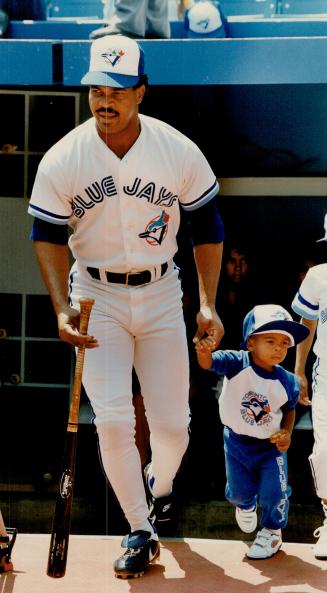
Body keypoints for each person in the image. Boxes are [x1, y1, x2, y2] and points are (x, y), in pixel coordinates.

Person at [27, 35, 224, 578]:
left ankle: (157, 491)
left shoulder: (176, 149)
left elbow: (207, 227)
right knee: (112, 419)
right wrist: (61, 306)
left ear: (140, 92)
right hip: (96, 294)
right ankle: (140, 527)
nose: (103, 101)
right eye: (95, 89)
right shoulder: (66, 155)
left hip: (161, 293)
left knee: (173, 426)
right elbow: (43, 232)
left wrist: (207, 303)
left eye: (115, 90)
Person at [195, 304, 309, 559]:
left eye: (284, 343)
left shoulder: (287, 380)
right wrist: (204, 350)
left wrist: (287, 433)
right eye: (270, 340)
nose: (279, 348)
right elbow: (208, 363)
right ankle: (245, 505)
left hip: (270, 447)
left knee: (275, 491)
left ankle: (272, 531)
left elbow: (290, 409)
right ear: (250, 343)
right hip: (236, 443)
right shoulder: (237, 363)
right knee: (238, 491)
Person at [291, 214, 327, 560]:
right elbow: (307, 322)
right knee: (325, 449)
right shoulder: (318, 276)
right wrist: (299, 370)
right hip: (326, 373)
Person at [90, 0, 171, 40]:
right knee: (153, 21)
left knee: (128, 25)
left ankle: (127, 22)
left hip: (129, 26)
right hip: (157, 29)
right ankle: (153, 24)